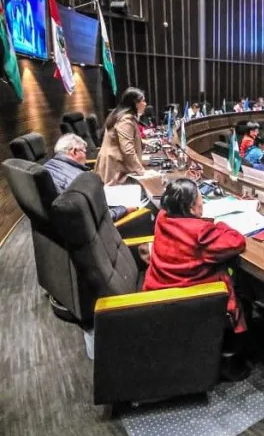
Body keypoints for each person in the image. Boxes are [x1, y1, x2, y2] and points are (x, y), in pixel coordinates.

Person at [143, 179, 248, 334]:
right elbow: (237, 242)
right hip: (190, 302)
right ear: (191, 208)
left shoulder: (163, 217)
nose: (202, 203)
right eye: (201, 199)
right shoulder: (200, 234)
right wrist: (219, 224)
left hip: (158, 292)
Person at [45, 134, 131, 221]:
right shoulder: (79, 179)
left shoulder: (46, 167)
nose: (86, 158)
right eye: (84, 152)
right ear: (74, 151)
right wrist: (124, 210)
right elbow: (98, 217)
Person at [96, 87, 147, 185]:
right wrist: (141, 171)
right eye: (143, 101)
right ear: (135, 103)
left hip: (115, 163)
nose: (145, 104)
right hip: (115, 167)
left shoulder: (120, 115)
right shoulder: (125, 120)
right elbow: (127, 149)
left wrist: (144, 142)